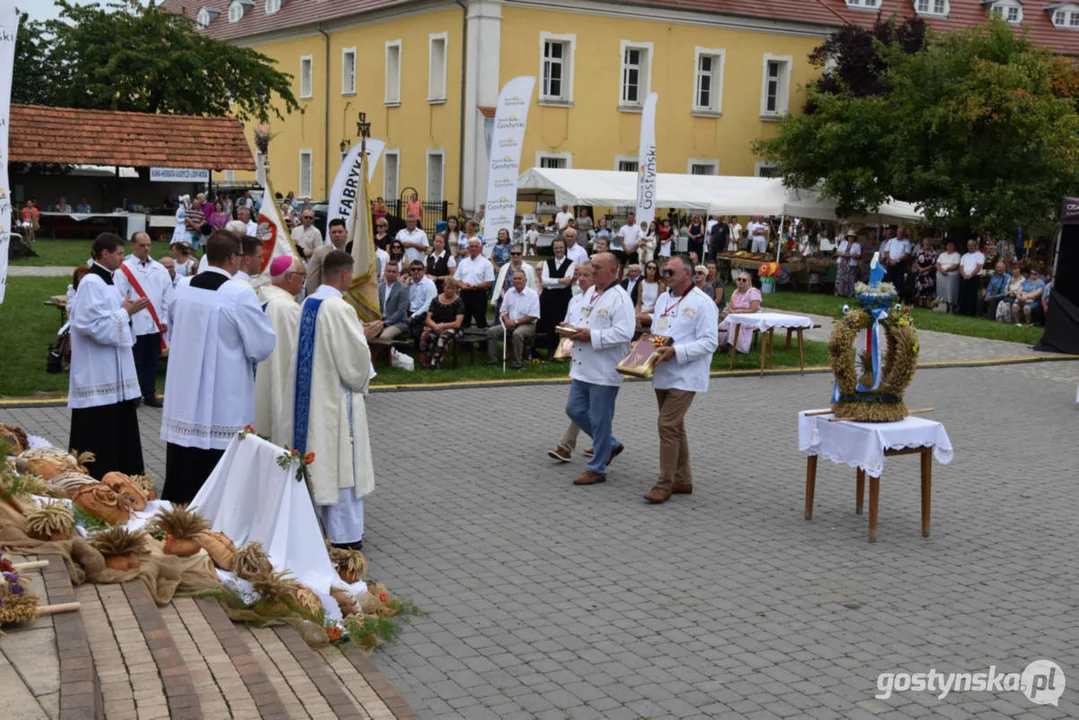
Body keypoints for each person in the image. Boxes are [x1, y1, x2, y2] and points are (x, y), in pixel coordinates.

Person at [160, 231, 277, 503]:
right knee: (218, 476)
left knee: (182, 469)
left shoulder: (184, 286)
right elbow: (261, 346)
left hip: (183, 398)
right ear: (233, 257)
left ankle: (176, 518)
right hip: (223, 401)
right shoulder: (239, 294)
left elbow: (172, 331)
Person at [277, 250, 378, 550]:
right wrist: (365, 339)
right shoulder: (339, 308)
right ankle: (344, 534)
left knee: (318, 455)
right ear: (345, 274)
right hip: (335, 400)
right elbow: (353, 363)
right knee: (340, 462)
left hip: (311, 397)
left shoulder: (309, 302)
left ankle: (315, 524)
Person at [68, 233, 147, 480]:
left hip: (115, 375)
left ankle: (124, 478)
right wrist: (124, 313)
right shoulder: (92, 282)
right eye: (120, 253)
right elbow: (90, 326)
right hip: (97, 375)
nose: (123, 258)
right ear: (105, 254)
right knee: (99, 434)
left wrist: (127, 311)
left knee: (119, 430)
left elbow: (112, 319)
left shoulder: (111, 282)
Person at [640, 256, 719, 504]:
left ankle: (665, 483)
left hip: (686, 373)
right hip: (662, 371)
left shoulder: (704, 303)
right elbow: (660, 330)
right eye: (665, 272)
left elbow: (710, 342)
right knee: (675, 427)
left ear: (688, 273)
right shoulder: (664, 298)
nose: (666, 275)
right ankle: (683, 479)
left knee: (666, 425)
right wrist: (643, 345)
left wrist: (677, 351)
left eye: (671, 272)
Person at [562, 253, 635, 486]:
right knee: (574, 409)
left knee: (600, 419)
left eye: (597, 268)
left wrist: (592, 336)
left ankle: (597, 468)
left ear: (612, 271)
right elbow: (585, 322)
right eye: (591, 266)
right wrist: (571, 329)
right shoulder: (591, 293)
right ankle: (610, 444)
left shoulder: (620, 299)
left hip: (604, 370)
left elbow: (625, 333)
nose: (592, 271)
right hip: (583, 366)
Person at [113, 231, 173, 407]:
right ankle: (134, 394)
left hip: (154, 324)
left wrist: (163, 319)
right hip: (134, 323)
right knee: (135, 361)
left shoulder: (160, 269)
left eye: (148, 245)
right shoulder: (123, 269)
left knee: (152, 360)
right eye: (142, 245)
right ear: (132, 246)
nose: (146, 248)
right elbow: (120, 296)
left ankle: (150, 392)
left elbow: (167, 296)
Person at [254, 256, 305, 443]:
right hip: (283, 376)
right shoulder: (287, 308)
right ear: (290, 277)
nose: (304, 280)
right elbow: (299, 350)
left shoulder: (262, 299)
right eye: (302, 275)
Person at [547, 260, 593, 463]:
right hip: (577, 357)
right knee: (589, 406)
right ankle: (604, 442)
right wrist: (565, 327)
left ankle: (566, 445)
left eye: (586, 275)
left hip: (598, 360)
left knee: (583, 406)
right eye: (578, 275)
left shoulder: (601, 300)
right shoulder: (574, 300)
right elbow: (570, 323)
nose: (581, 278)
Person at [486, 269, 540, 369]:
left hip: (527, 324)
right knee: (491, 331)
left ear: (525, 280)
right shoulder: (509, 292)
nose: (517, 281)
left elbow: (533, 315)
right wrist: (507, 320)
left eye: (519, 278)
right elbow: (503, 311)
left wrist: (515, 322)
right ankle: (492, 360)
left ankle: (517, 363)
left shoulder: (532, 294)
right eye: (515, 278)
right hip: (510, 322)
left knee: (517, 334)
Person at [539, 238, 576, 354]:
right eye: (556, 248)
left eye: (560, 247)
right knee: (549, 324)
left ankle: (563, 353)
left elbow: (567, 283)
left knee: (563, 324)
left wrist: (552, 282)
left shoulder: (571, 263)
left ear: (565, 248)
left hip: (563, 299)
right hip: (548, 299)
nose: (558, 250)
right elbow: (544, 281)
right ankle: (550, 351)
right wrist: (560, 280)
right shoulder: (547, 263)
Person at [419, 277, 465, 369]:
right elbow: (428, 318)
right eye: (449, 288)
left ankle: (435, 363)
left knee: (443, 338)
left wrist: (442, 326)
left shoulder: (459, 302)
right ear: (444, 287)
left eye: (454, 288)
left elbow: (457, 323)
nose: (451, 291)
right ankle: (424, 362)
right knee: (425, 336)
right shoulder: (435, 300)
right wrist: (435, 326)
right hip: (436, 326)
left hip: (453, 328)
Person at [455, 237, 495, 328]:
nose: (473, 248)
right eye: (471, 246)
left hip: (479, 295)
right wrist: (462, 285)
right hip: (464, 294)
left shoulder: (486, 263)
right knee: (464, 321)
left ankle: (483, 342)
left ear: (480, 248)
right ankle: (466, 342)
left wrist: (474, 286)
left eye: (476, 246)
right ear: (468, 248)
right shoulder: (462, 262)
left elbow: (489, 282)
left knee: (480, 321)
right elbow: (456, 279)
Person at [718, 271, 762, 353]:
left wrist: (739, 311)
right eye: (739, 279)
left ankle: (734, 347)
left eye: (744, 280)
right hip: (735, 316)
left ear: (749, 282)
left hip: (751, 318)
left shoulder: (753, 292)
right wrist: (732, 312)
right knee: (722, 325)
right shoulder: (735, 292)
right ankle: (721, 345)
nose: (741, 281)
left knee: (735, 324)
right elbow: (730, 307)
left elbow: (753, 310)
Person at [307, 218, 348, 295]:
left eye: (340, 232)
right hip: (326, 299)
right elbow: (312, 280)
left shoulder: (353, 251)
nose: (337, 235)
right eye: (334, 232)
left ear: (346, 233)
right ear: (329, 234)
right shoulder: (320, 252)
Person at [492, 245, 535, 314]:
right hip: (504, 300)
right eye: (513, 253)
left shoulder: (529, 268)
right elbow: (499, 285)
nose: (515, 255)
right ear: (510, 254)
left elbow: (532, 286)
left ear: (522, 254)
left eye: (518, 253)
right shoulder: (504, 268)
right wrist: (506, 298)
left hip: (523, 301)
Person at [377, 262, 410, 339]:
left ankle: (390, 351)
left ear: (398, 274)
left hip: (398, 323)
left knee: (384, 337)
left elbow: (401, 311)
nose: (391, 274)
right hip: (381, 320)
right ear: (385, 272)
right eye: (389, 271)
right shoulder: (380, 287)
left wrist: (385, 323)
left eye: (394, 272)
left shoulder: (403, 289)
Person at [405, 261, 438, 338]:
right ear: (410, 271)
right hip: (409, 312)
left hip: (424, 314)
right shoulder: (408, 283)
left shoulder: (429, 284)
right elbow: (403, 301)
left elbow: (429, 305)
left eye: (419, 269)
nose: (416, 271)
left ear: (423, 271)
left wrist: (413, 316)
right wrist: (405, 286)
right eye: (413, 269)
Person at [882, 226, 912, 297]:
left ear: (903, 233)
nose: (900, 234)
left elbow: (907, 254)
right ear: (896, 232)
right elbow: (886, 252)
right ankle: (888, 296)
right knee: (889, 280)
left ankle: (898, 297)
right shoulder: (891, 241)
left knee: (899, 281)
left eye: (901, 232)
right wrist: (890, 260)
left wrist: (897, 260)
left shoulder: (906, 242)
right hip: (891, 263)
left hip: (900, 264)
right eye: (899, 232)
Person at [958, 239, 985, 317]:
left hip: (974, 277)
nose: (971, 247)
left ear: (975, 246)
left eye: (972, 245)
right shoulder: (964, 256)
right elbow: (961, 267)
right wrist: (964, 275)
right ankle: (961, 310)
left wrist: (971, 275)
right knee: (962, 294)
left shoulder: (980, 255)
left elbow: (978, 267)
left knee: (971, 295)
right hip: (964, 277)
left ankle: (970, 312)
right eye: (969, 245)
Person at [935, 240, 961, 313]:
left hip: (951, 275)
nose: (949, 247)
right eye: (948, 245)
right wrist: (941, 270)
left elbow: (955, 265)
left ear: (954, 247)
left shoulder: (957, 255)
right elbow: (937, 264)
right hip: (941, 274)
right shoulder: (942, 254)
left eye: (951, 245)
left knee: (950, 292)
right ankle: (942, 307)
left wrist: (946, 269)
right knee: (941, 291)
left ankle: (951, 309)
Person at [834, 229, 861, 298]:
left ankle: (850, 293)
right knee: (841, 278)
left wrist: (850, 255)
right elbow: (837, 252)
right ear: (847, 237)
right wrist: (844, 255)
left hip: (852, 264)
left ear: (854, 238)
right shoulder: (843, 243)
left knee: (851, 279)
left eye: (852, 237)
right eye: (849, 236)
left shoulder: (857, 245)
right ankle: (840, 293)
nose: (851, 238)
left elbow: (858, 255)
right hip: (842, 263)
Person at [913, 238, 938, 308]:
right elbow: (915, 262)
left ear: (930, 244)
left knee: (928, 291)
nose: (926, 245)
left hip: (929, 275)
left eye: (927, 243)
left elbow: (933, 264)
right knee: (920, 290)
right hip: (920, 274)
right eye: (924, 243)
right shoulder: (919, 252)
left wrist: (924, 269)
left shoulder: (933, 253)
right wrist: (920, 269)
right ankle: (920, 305)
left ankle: (928, 306)